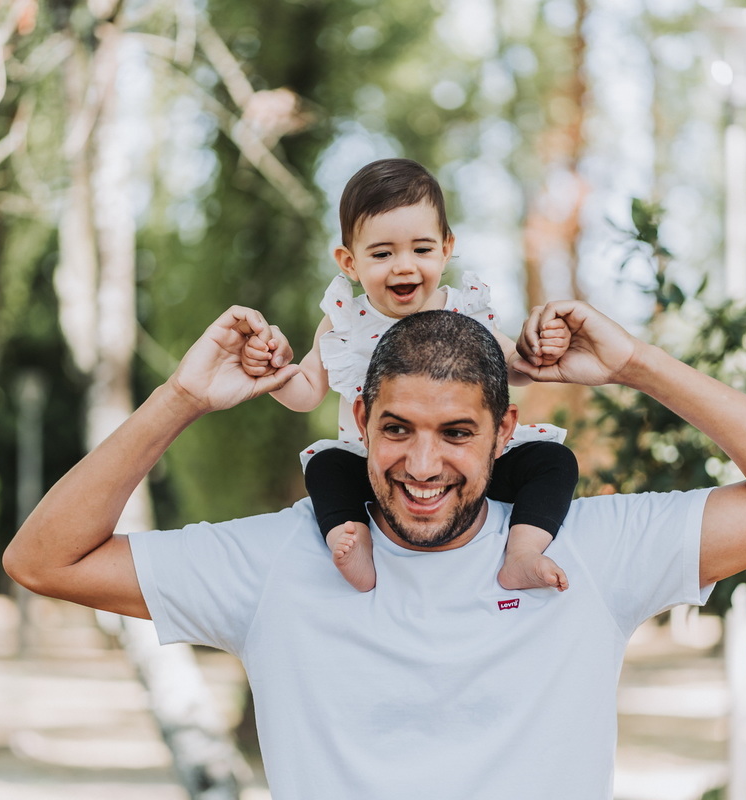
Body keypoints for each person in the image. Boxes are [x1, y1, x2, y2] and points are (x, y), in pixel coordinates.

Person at [4, 301, 746, 799]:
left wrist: (636, 364)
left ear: (505, 432)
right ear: (359, 422)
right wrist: (181, 398)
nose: (422, 466)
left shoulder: (590, 549)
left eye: (456, 433)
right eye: (396, 430)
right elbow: (43, 560)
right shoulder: (276, 561)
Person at [240, 157, 578, 592]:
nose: (404, 266)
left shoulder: (464, 308)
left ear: (446, 248)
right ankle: (353, 541)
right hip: (377, 471)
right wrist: (272, 370)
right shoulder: (345, 321)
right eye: (382, 254)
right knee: (325, 468)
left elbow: (514, 367)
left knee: (553, 461)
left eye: (421, 250)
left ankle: (523, 552)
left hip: (467, 464)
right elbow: (306, 393)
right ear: (349, 262)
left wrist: (539, 348)